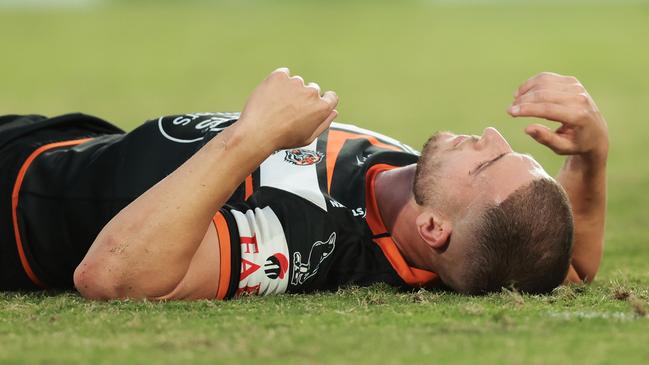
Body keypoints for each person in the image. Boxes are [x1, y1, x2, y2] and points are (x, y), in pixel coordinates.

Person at [0, 69, 607, 299]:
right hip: (66, 142)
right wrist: (591, 154)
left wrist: (250, 137)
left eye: (485, 165)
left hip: (18, 199)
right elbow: (564, 265)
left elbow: (112, 277)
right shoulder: (418, 184)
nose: (492, 136)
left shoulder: (301, 243)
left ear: (432, 227)